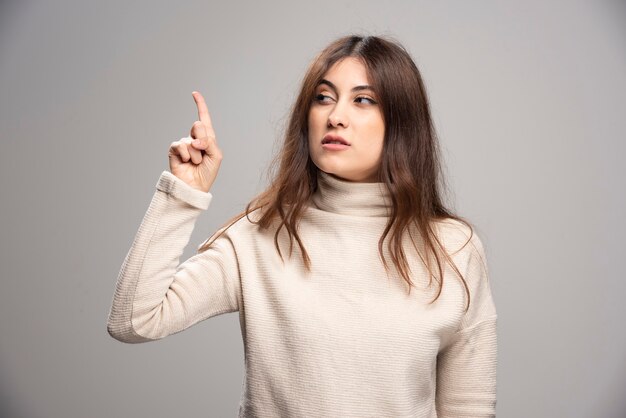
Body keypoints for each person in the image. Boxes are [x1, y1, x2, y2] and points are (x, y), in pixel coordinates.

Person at [107, 34, 498, 418]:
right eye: (323, 97)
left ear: (402, 122)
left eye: (363, 100)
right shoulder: (260, 234)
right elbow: (134, 320)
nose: (335, 116)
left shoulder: (452, 247)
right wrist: (181, 195)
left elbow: (468, 407)